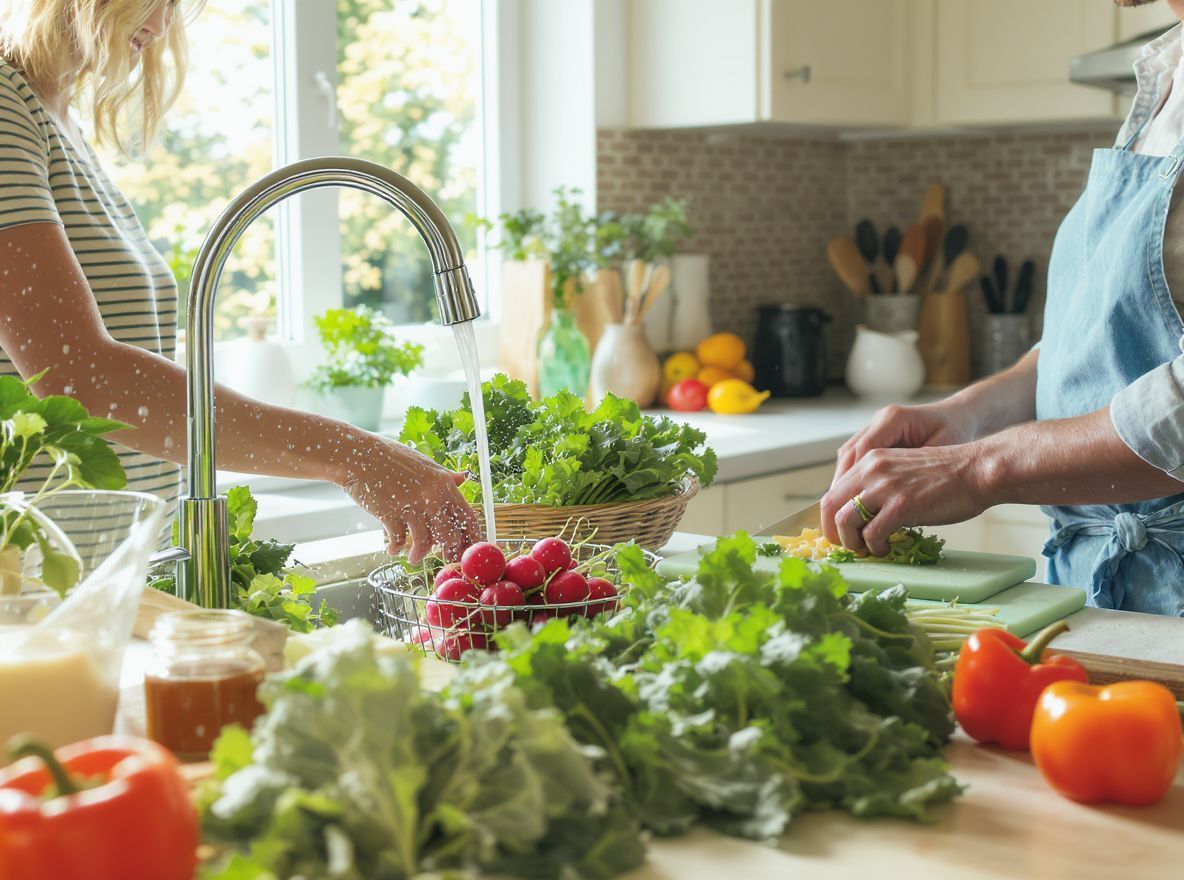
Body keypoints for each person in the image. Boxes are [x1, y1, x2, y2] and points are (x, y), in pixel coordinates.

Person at [0, 0, 480, 563]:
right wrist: (351, 453)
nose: (157, 26)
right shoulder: (6, 107)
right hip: (31, 589)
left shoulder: (54, 119)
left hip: (102, 581)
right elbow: (81, 379)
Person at [822, 0, 1184, 617]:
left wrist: (976, 468)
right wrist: (968, 416)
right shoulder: (1167, 68)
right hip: (1098, 589)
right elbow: (1094, 343)